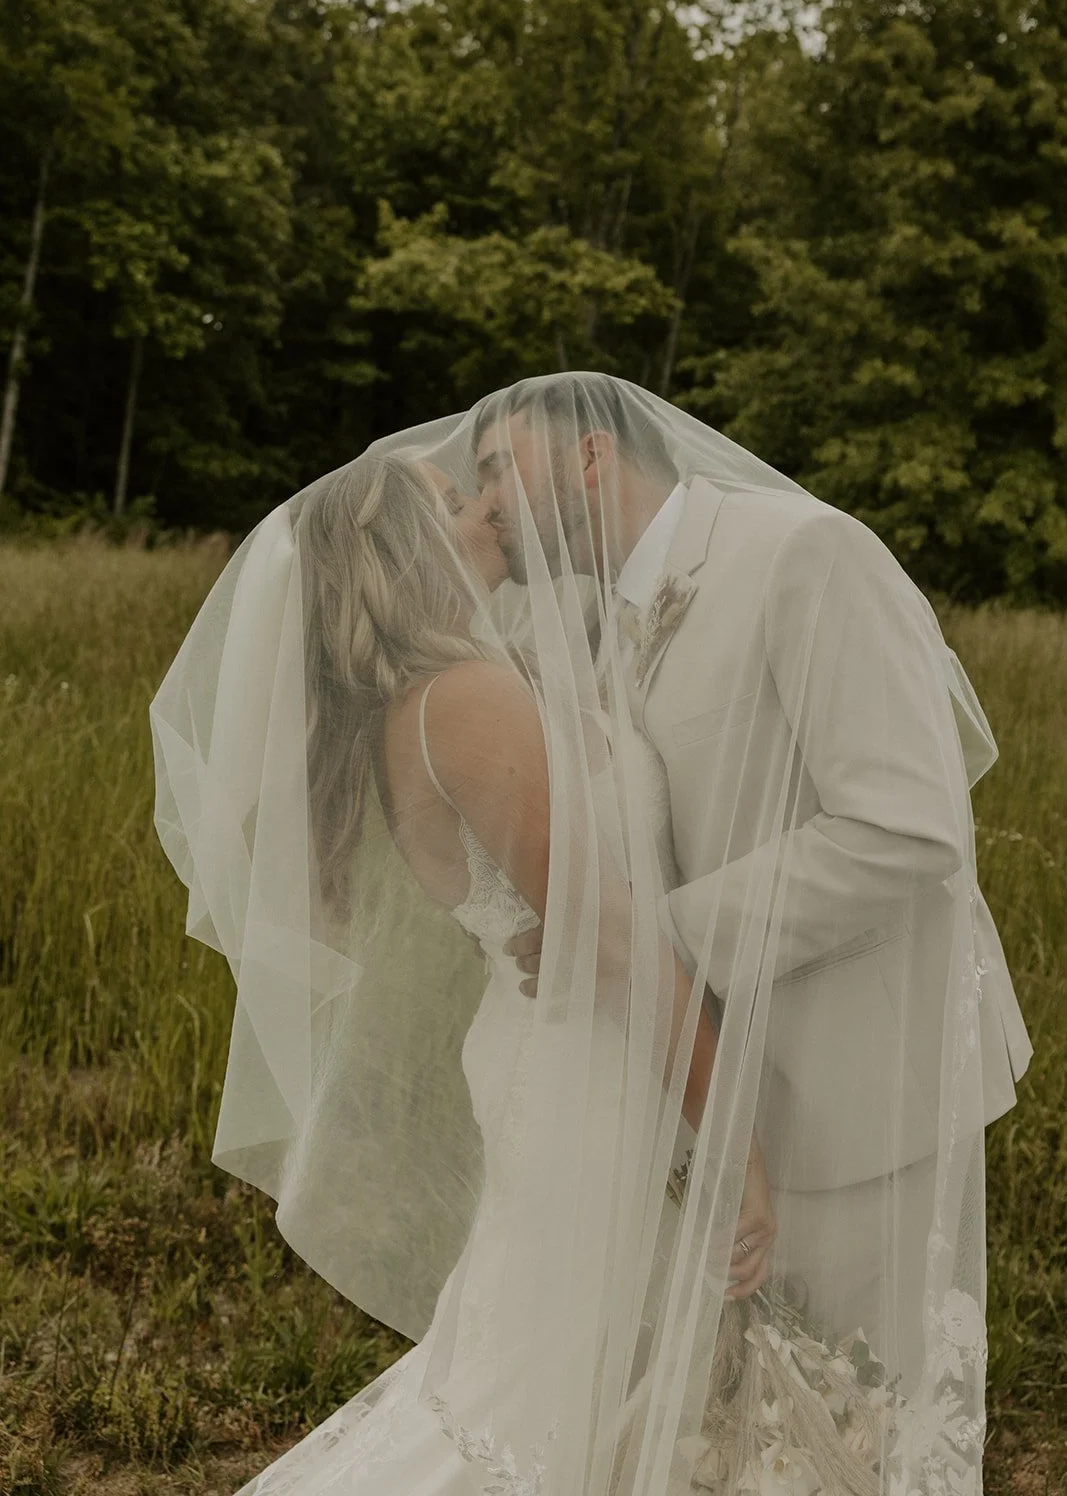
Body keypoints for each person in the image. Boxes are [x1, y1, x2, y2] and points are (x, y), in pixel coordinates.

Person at [149, 371, 1032, 1496]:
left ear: (587, 458)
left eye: (495, 470)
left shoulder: (803, 554)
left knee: (858, 1413)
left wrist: (646, 934)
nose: (489, 503)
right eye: (463, 491)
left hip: (853, 1076)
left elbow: (905, 828)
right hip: (647, 1073)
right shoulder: (535, 642)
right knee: (704, 1420)